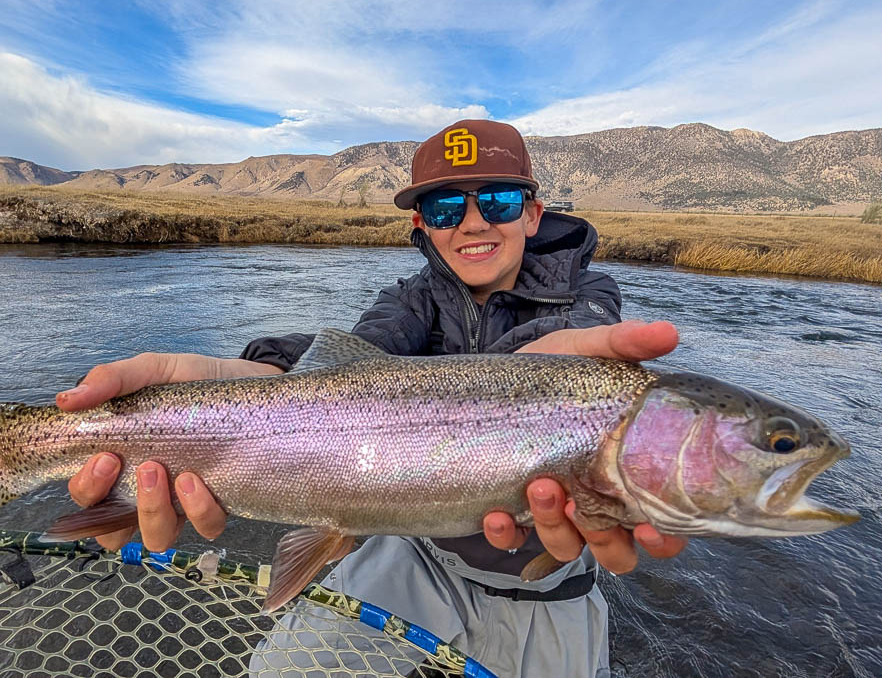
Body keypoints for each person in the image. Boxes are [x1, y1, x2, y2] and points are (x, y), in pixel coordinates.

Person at [60, 120, 686, 677]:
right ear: (422, 226)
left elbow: (549, 347)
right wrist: (256, 374)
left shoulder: (590, 298)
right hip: (415, 549)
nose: (472, 223)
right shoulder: (407, 301)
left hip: (549, 576)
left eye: (496, 201)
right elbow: (353, 360)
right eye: (445, 209)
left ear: (531, 213)